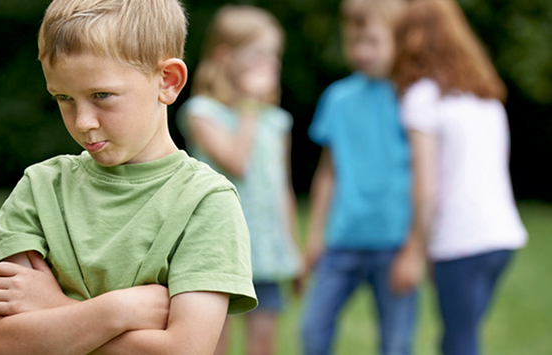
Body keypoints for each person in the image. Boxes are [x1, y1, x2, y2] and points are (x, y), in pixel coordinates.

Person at [0, 1, 258, 354]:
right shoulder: (39, 189)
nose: (83, 121)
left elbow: (185, 350)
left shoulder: (206, 202)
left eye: (102, 96)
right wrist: (120, 311)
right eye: (63, 98)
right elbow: (6, 342)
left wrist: (56, 309)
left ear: (167, 81)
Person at [390, 0, 528, 354]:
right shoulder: (486, 97)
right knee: (458, 336)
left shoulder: (422, 97)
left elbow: (426, 185)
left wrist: (415, 250)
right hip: (502, 237)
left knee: (461, 341)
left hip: (460, 239)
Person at [177, 5, 302, 355]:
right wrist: (248, 105)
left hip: (266, 250)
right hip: (219, 248)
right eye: (259, 55)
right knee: (214, 341)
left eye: (274, 55)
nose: (271, 65)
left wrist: (292, 250)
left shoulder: (275, 121)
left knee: (263, 343)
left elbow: (283, 189)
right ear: (225, 56)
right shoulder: (202, 113)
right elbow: (237, 161)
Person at [300, 0, 418, 354]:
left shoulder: (412, 98)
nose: (362, 51)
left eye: (373, 41)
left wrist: (415, 248)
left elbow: (426, 177)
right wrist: (315, 235)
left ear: (399, 40)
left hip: (394, 241)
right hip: (342, 240)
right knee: (312, 330)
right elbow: (328, 173)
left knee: (396, 343)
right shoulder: (337, 99)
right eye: (354, 41)